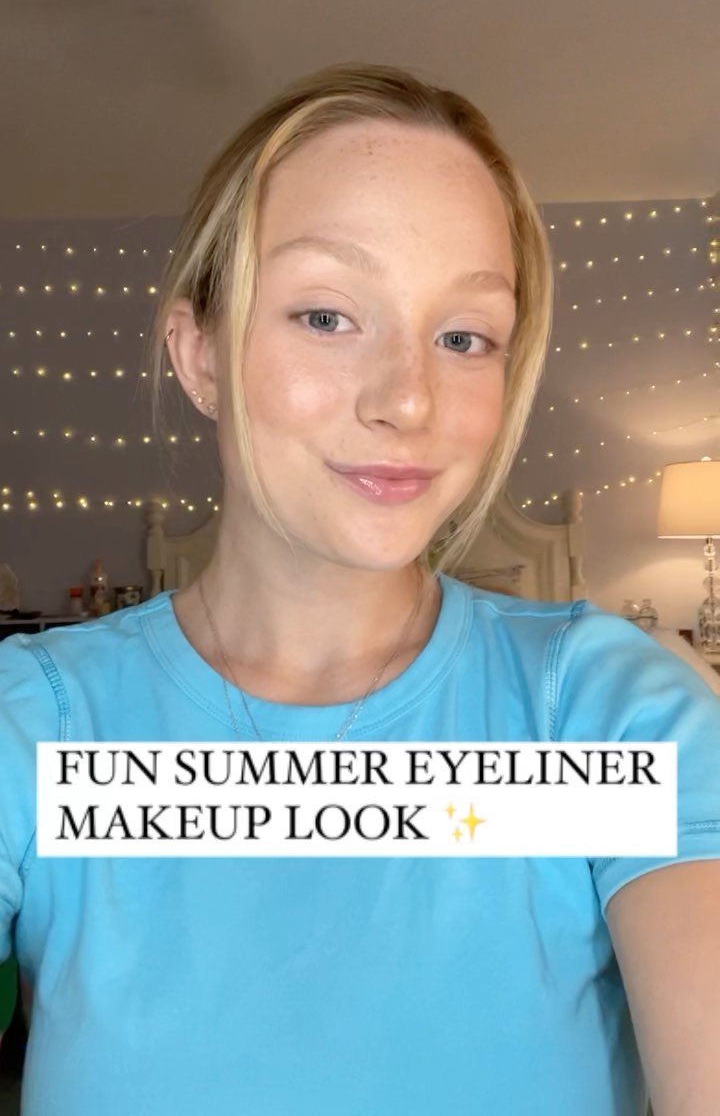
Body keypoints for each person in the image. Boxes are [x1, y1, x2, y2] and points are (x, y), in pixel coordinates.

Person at [0, 62, 718, 1116]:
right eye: (328, 315)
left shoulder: (609, 709)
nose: (408, 400)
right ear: (200, 356)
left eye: (463, 336)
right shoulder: (36, 726)